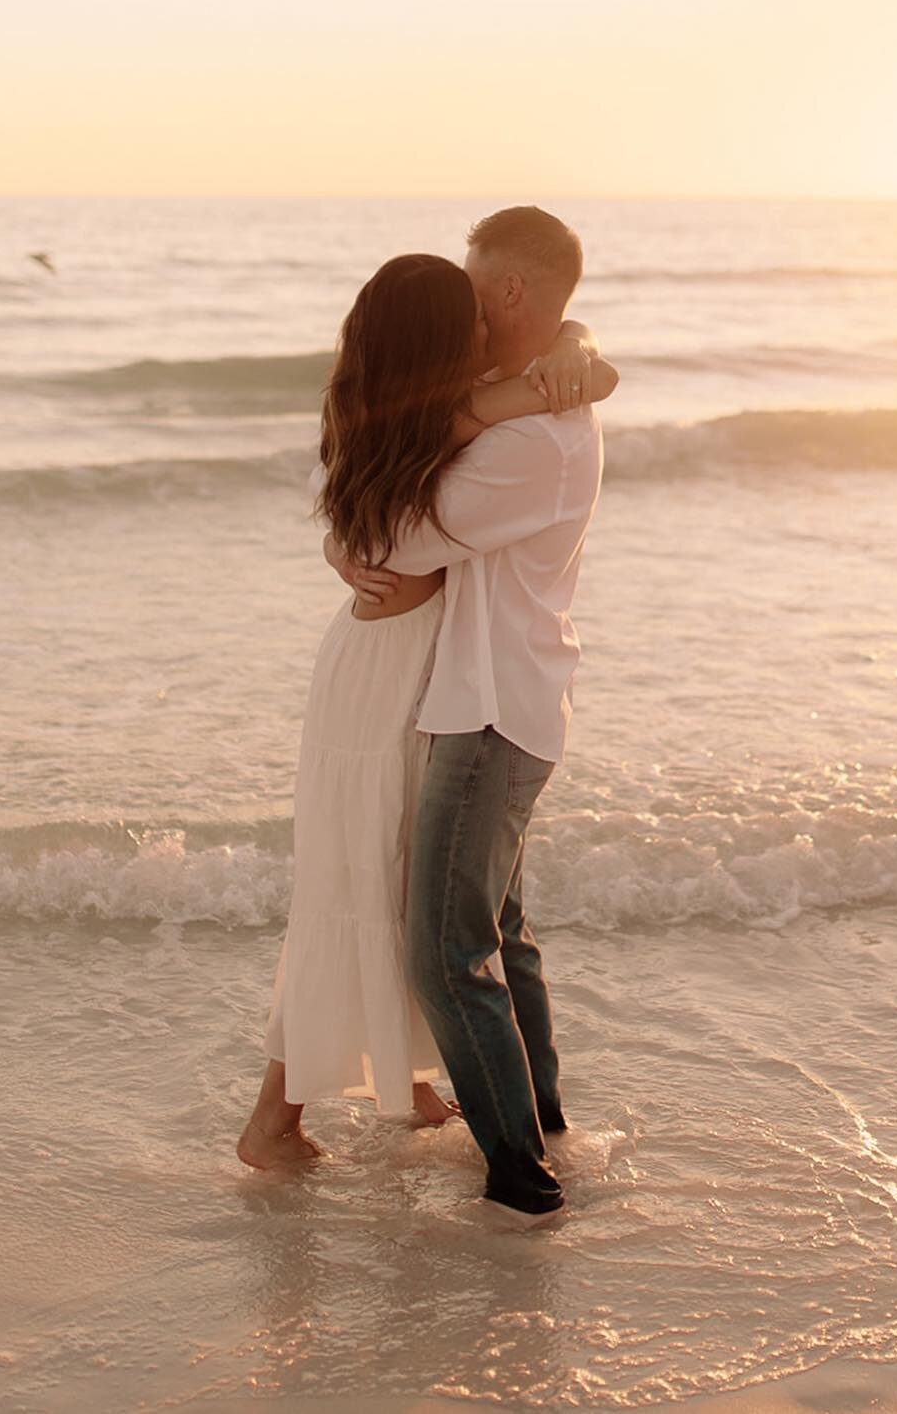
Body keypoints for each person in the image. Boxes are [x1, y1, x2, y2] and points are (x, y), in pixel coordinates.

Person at [236, 249, 617, 1170]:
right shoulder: (438, 422)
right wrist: (541, 382)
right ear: (438, 344)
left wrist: (577, 342)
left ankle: (406, 1086)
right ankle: (272, 1124)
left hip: (394, 662)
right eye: (470, 322)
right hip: (394, 676)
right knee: (360, 881)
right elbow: (397, 535)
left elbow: (575, 367)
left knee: (389, 869)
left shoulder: (386, 409)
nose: (486, 330)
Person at [329, 207, 604, 1227]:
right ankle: (543, 1127)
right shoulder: (539, 408)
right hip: (507, 696)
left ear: (515, 293)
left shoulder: (532, 440)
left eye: (476, 279)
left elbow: (398, 540)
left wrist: (341, 543)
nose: (463, 295)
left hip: (491, 711)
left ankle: (521, 1180)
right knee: (500, 933)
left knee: (447, 948)